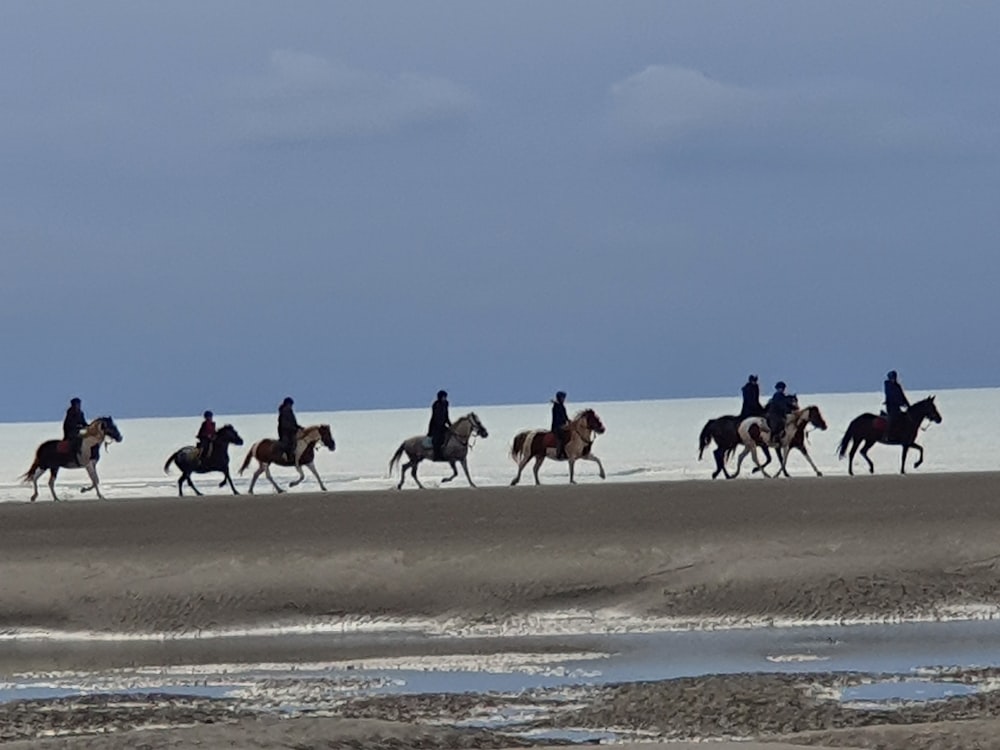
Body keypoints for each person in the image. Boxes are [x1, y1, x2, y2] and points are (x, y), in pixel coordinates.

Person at [883, 370, 910, 441]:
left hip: (897, 407)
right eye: (892, 378)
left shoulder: (897, 386)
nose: (893, 379)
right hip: (891, 407)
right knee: (893, 419)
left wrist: (908, 405)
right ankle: (888, 435)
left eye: (894, 378)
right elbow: (891, 396)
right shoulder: (888, 385)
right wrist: (900, 403)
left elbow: (902, 395)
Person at [427, 390, 451, 461]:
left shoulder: (446, 404)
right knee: (437, 440)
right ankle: (437, 456)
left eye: (445, 397)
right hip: (435, 425)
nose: (445, 399)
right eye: (443, 397)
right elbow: (436, 417)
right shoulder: (436, 405)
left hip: (443, 425)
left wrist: (450, 425)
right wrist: (440, 426)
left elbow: (446, 415)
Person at [63, 397, 88, 462]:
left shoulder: (81, 413)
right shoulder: (70, 413)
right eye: (76, 404)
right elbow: (69, 424)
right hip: (70, 431)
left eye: (79, 404)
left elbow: (83, 422)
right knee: (77, 441)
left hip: (77, 431)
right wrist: (78, 427)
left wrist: (88, 427)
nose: (78, 406)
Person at [278, 397, 300, 464]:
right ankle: (287, 455)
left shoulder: (290, 412)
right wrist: (293, 428)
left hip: (292, 430)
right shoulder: (284, 412)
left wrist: (300, 428)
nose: (291, 406)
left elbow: (294, 422)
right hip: (285, 431)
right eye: (290, 405)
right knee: (288, 442)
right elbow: (284, 424)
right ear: (287, 404)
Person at [551, 391, 569, 459]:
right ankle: (560, 452)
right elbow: (557, 418)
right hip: (557, 427)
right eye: (563, 398)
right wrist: (563, 424)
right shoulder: (556, 407)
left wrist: (569, 421)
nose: (564, 399)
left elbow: (565, 416)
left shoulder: (562, 406)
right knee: (561, 437)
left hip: (563, 425)